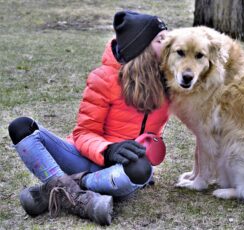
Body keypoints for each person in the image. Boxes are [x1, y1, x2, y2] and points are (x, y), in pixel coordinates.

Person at [8, 10, 169, 226]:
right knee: (21, 127)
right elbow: (83, 134)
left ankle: (60, 190)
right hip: (87, 157)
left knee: (141, 169)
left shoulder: (172, 81)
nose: (170, 42)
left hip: (123, 170)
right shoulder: (103, 79)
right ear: (142, 48)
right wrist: (109, 150)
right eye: (161, 39)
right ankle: (79, 199)